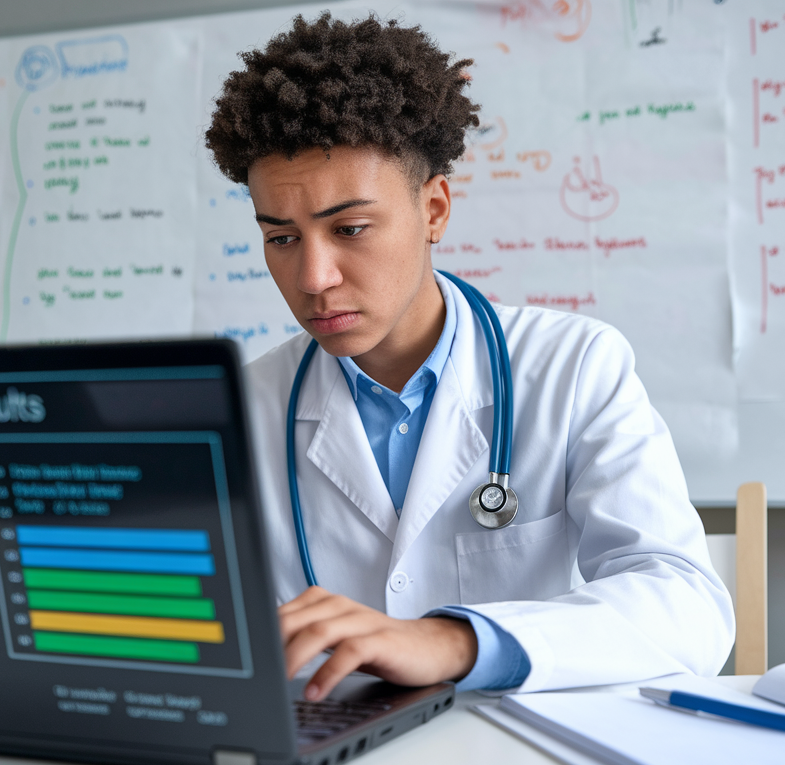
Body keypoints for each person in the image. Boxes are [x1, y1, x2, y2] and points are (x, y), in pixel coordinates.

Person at [204, 13, 733, 702]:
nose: (313, 277)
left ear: (434, 210)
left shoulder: (573, 368)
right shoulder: (242, 408)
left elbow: (687, 605)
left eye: (350, 229)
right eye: (280, 238)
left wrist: (453, 640)